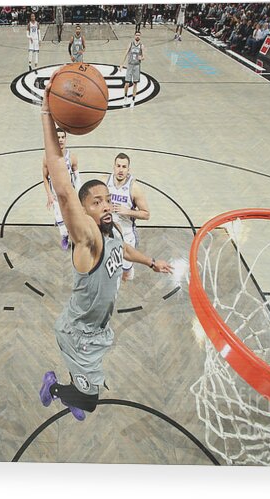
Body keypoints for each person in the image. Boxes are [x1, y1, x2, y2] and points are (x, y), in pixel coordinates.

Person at [38, 79, 173, 421]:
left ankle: (75, 386)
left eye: (108, 198)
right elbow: (66, 190)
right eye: (97, 202)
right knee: (89, 402)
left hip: (95, 329)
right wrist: (45, 114)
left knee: (86, 390)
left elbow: (124, 250)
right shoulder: (89, 239)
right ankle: (53, 386)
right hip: (77, 332)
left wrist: (151, 262)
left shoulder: (109, 233)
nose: (106, 205)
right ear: (84, 213)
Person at [105, 153, 150, 281]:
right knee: (108, 267)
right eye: (118, 166)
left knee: (126, 273)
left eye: (124, 167)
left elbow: (146, 214)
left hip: (127, 235)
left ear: (128, 169)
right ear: (113, 167)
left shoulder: (134, 188)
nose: (120, 170)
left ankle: (127, 274)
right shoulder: (104, 182)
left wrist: (127, 211)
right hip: (108, 232)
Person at [42, 126, 81, 251]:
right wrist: (49, 194)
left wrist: (79, 193)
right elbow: (45, 177)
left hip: (70, 195)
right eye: (58, 137)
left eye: (63, 137)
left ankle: (75, 237)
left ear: (66, 139)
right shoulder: (47, 158)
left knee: (74, 219)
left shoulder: (72, 157)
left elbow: (77, 177)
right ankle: (64, 236)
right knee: (61, 223)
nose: (60, 140)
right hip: (56, 196)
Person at [118, 30, 145, 108]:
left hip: (137, 66)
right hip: (130, 65)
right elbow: (126, 53)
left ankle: (133, 100)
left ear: (140, 37)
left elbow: (144, 57)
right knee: (126, 84)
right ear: (134, 36)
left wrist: (141, 58)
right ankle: (125, 97)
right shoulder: (130, 44)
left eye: (139, 35)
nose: (137, 36)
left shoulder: (141, 46)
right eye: (136, 35)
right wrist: (121, 64)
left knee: (135, 83)